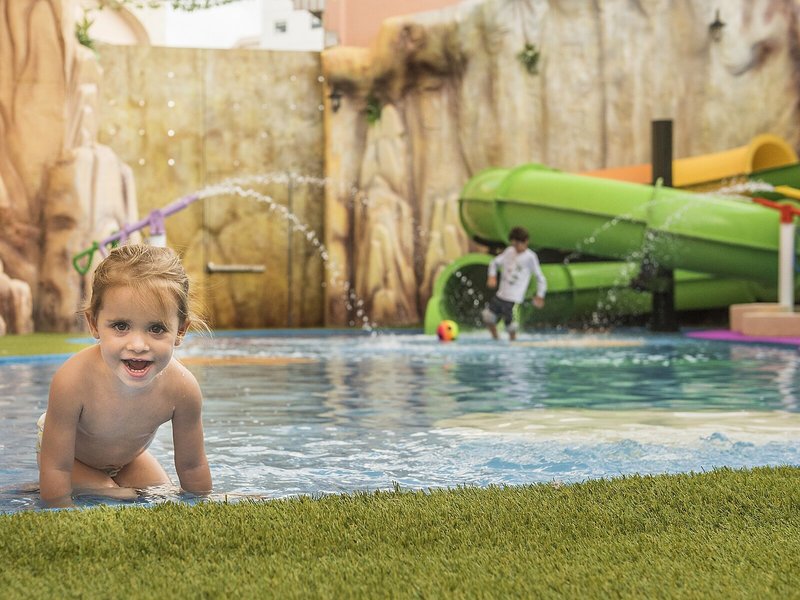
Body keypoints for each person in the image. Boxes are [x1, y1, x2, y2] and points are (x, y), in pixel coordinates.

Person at [38, 244, 212, 507]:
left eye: (156, 328)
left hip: (128, 459)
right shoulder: (73, 381)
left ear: (180, 330)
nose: (138, 345)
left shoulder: (183, 389)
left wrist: (204, 506)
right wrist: (60, 507)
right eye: (121, 326)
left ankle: (106, 482)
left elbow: (192, 465)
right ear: (94, 324)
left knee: (160, 494)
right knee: (119, 496)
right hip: (70, 457)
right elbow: (56, 469)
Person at [482, 226, 547, 340]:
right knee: (487, 316)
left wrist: (540, 295)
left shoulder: (530, 257)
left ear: (526, 242)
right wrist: (492, 276)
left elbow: (540, 277)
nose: (516, 247)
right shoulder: (509, 251)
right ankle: (495, 338)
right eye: (514, 244)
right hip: (501, 294)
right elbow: (494, 263)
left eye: (518, 244)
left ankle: (513, 342)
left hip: (514, 299)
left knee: (511, 326)